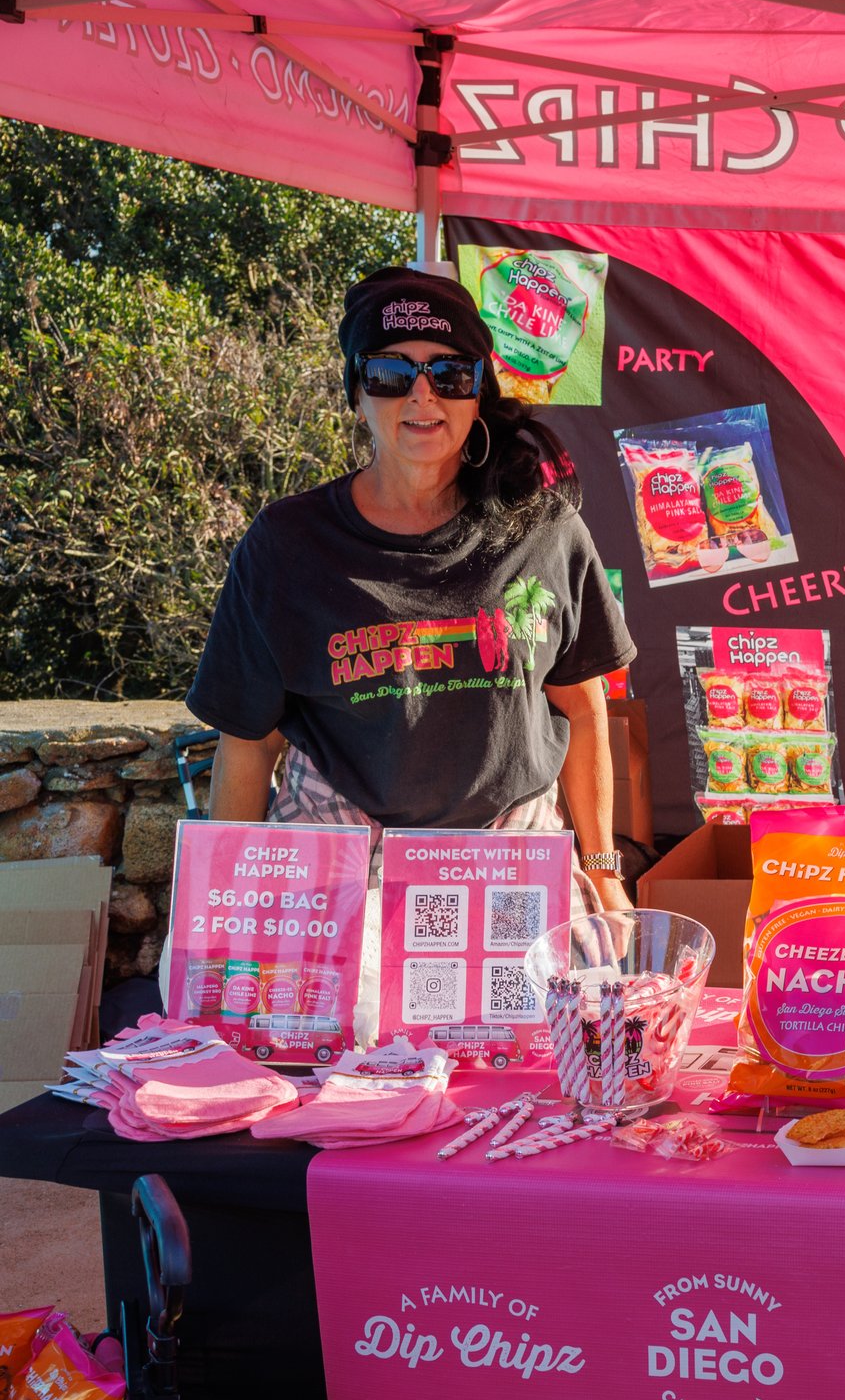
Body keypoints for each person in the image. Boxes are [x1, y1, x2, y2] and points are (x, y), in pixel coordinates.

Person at [187, 267, 637, 994]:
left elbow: (583, 712)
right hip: (339, 874)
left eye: (448, 372)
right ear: (357, 391)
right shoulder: (286, 544)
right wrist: (222, 912)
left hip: (511, 869)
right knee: (342, 1082)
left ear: (477, 389)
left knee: (545, 1080)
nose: (421, 394)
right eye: (392, 372)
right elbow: (248, 746)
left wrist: (605, 873)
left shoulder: (543, 527)